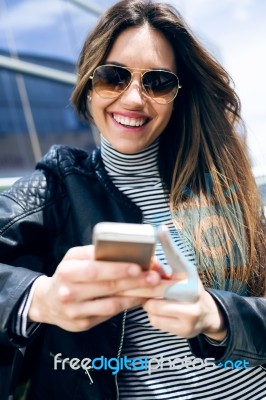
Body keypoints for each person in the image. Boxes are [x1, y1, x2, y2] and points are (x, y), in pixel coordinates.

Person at [0, 0, 265, 399]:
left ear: (178, 95)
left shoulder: (224, 185)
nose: (135, 99)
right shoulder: (56, 186)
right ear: (89, 85)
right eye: (113, 77)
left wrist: (219, 315)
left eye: (158, 82)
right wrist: (38, 299)